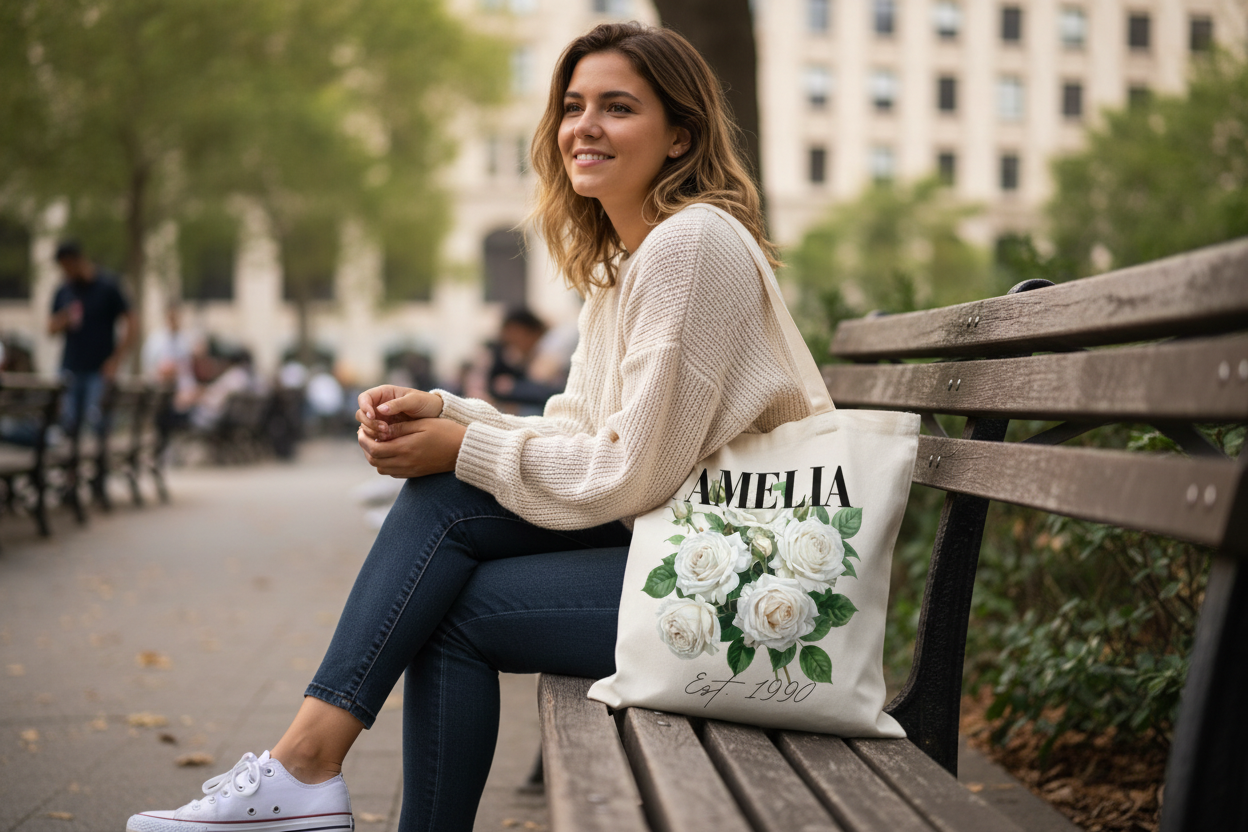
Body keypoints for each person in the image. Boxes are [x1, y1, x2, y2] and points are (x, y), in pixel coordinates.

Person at [128, 22, 813, 832]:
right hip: (688, 550)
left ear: (679, 138)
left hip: (755, 592)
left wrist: (464, 443)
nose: (583, 126)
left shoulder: (690, 245)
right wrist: (447, 415)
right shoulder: (629, 267)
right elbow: (579, 432)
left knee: (444, 586)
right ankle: (302, 772)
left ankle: (304, 771)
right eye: (572, 106)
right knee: (441, 525)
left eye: (618, 107)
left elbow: (631, 476)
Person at [48, 240, 137, 438]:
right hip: (70, 367)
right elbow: (50, 328)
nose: (65, 272)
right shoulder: (64, 291)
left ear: (77, 261)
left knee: (95, 423)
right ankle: (72, 467)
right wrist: (64, 318)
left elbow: (131, 321)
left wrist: (116, 360)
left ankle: (94, 467)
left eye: (66, 266)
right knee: (68, 424)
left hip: (99, 370)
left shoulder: (108, 286)